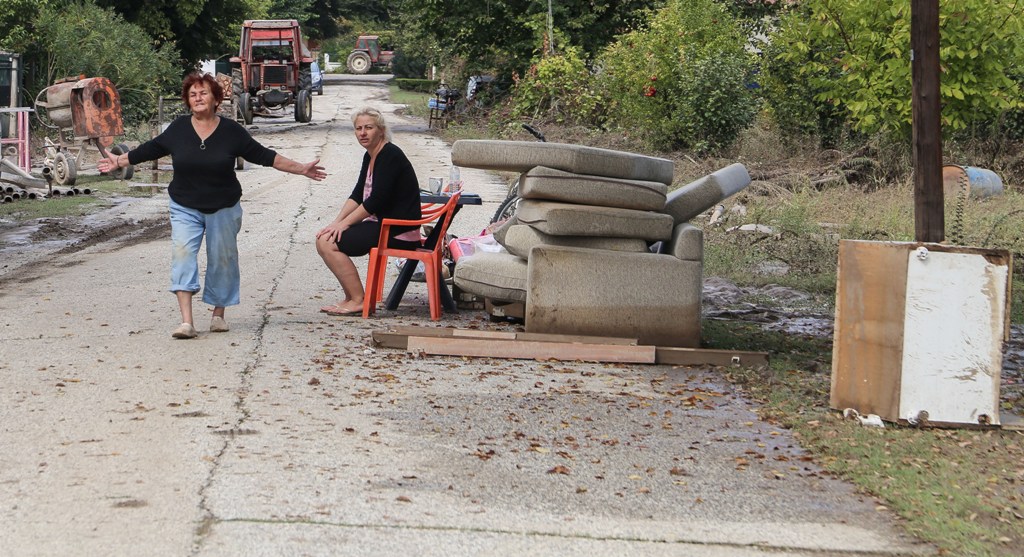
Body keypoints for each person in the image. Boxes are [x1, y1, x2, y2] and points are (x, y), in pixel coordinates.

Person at [97, 72, 326, 339]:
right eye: (192, 94)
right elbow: (150, 149)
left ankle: (218, 315)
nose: (197, 98)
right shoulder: (179, 128)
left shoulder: (231, 131)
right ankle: (186, 322)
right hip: (185, 204)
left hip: (224, 205)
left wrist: (301, 168)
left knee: (222, 260)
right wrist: (119, 161)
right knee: (182, 256)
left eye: (203, 93)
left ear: (216, 99)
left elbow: (266, 156)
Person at [315, 107, 422, 316]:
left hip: (398, 230)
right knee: (326, 237)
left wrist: (345, 224)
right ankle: (350, 298)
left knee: (327, 243)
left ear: (381, 130)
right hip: (382, 225)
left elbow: (376, 200)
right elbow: (358, 194)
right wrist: (336, 222)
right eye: (358, 128)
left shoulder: (390, 154)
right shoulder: (370, 155)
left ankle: (358, 300)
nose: (363, 133)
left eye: (369, 128)